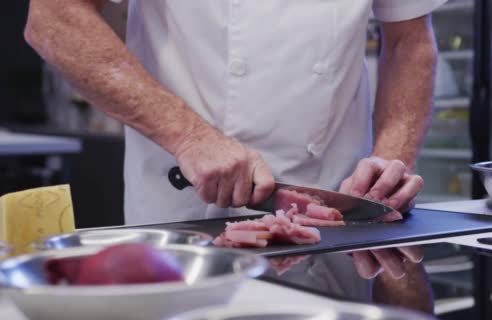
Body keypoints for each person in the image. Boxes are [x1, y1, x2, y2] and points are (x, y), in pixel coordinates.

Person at [24, 0, 443, 288]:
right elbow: (54, 18)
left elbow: (410, 40)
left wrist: (389, 161)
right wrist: (189, 137)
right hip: (183, 216)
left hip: (336, 226)